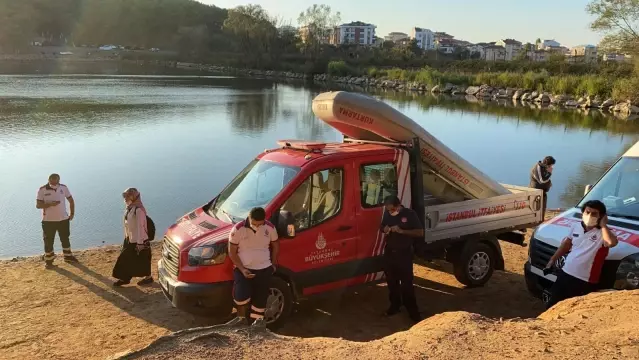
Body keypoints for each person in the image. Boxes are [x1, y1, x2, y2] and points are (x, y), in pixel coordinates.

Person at [544, 200, 618, 309]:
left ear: (601, 216)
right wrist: (552, 260)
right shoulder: (576, 226)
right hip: (565, 273)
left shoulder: (605, 233)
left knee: (572, 310)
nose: (589, 216)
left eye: (594, 214)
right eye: (587, 212)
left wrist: (603, 225)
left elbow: (611, 243)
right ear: (582, 213)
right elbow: (566, 244)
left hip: (584, 281)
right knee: (553, 305)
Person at [227, 207, 279, 328]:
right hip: (244, 269)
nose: (257, 226)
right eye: (254, 224)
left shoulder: (270, 227)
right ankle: (241, 322)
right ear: (249, 218)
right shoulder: (238, 229)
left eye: (260, 224)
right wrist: (242, 269)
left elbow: (276, 245)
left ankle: (257, 326)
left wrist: (274, 263)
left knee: (260, 300)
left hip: (264, 269)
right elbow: (232, 252)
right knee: (241, 297)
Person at [380, 195, 424, 323]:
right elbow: (381, 226)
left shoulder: (409, 214)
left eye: (392, 209)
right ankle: (395, 306)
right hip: (389, 252)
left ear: (398, 206)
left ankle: (412, 311)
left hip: (404, 254)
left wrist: (402, 231)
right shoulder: (387, 214)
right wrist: (385, 229)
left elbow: (420, 232)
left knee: (406, 284)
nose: (390, 211)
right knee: (391, 282)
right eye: (388, 210)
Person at [112, 188, 153, 287]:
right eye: (125, 196)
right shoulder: (129, 208)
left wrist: (140, 243)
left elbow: (141, 226)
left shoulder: (139, 210)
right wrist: (126, 237)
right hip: (129, 239)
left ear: (134, 197)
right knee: (126, 259)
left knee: (141, 260)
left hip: (139, 240)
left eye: (128, 196)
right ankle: (125, 278)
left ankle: (148, 278)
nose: (126, 198)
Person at [36, 173, 77, 268]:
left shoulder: (63, 188)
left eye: (56, 181)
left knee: (65, 238)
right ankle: (49, 261)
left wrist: (72, 214)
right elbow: (38, 205)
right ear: (49, 180)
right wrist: (50, 204)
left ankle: (68, 257)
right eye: (52, 182)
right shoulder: (42, 189)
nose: (54, 183)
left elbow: (71, 200)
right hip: (48, 221)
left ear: (59, 180)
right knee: (48, 241)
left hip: (63, 219)